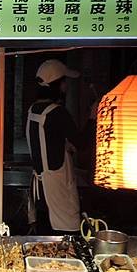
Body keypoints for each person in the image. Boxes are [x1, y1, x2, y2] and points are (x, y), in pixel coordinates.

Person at [26, 59, 96, 235]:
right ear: (56, 84)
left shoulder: (33, 109)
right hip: (57, 184)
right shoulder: (57, 112)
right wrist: (92, 117)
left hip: (40, 185)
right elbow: (82, 143)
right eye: (64, 81)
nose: (66, 85)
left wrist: (63, 145)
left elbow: (48, 138)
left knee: (44, 231)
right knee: (63, 235)